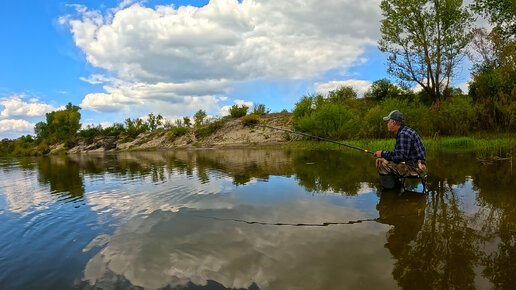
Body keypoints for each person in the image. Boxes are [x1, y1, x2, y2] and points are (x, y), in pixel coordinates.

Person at [373, 110, 427, 188]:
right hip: (416, 165)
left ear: (394, 122)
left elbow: (400, 157)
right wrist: (383, 157)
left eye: (388, 122)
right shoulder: (405, 131)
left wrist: (382, 153)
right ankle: (397, 191)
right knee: (383, 161)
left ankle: (390, 194)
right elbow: (398, 156)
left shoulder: (403, 134)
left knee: (383, 165)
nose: (387, 124)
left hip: (417, 168)